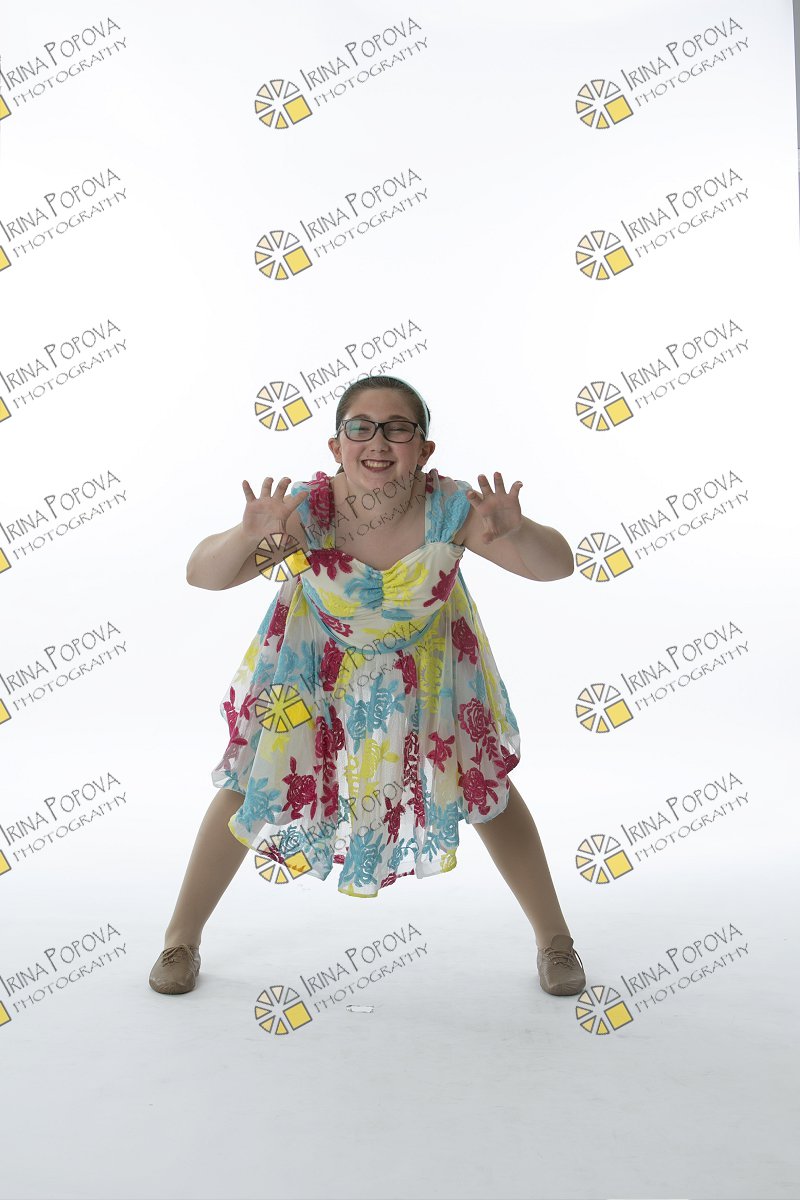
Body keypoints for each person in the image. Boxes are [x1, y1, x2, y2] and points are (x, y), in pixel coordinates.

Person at [149, 375, 585, 999]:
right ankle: (180, 938)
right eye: (361, 427)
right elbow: (203, 576)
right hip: (313, 668)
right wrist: (248, 535)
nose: (378, 442)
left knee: (484, 784)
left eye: (398, 429)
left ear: (423, 450)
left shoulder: (451, 507)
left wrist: (518, 531)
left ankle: (555, 940)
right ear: (337, 446)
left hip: (428, 670)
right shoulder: (304, 512)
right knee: (251, 784)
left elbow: (556, 567)